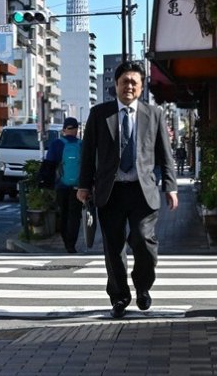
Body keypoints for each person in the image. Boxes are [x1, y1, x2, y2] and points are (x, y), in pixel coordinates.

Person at [76, 61, 178, 319]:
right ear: (116, 85)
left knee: (144, 241)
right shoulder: (100, 114)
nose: (129, 86)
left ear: (142, 87)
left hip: (142, 192)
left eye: (134, 82)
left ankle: (143, 286)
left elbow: (165, 154)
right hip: (110, 192)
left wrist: (171, 186)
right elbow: (88, 152)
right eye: (124, 81)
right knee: (113, 247)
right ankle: (119, 297)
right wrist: (84, 185)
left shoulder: (153, 114)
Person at [42, 117, 83, 253]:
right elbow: (90, 166)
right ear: (77, 130)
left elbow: (49, 165)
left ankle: (66, 241)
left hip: (61, 185)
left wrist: (46, 184)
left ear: (64, 130)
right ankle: (72, 244)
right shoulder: (82, 144)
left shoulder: (57, 144)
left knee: (64, 214)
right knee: (75, 215)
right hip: (78, 187)